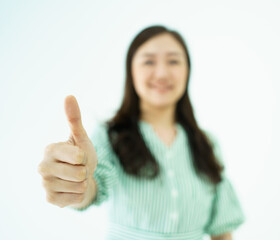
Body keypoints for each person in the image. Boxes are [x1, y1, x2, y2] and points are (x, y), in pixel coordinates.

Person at [38, 25, 245, 240]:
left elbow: (221, 230)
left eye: (173, 61)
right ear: (131, 72)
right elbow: (92, 186)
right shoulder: (111, 135)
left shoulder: (207, 143)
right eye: (149, 61)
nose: (162, 73)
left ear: (188, 70)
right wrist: (77, 182)